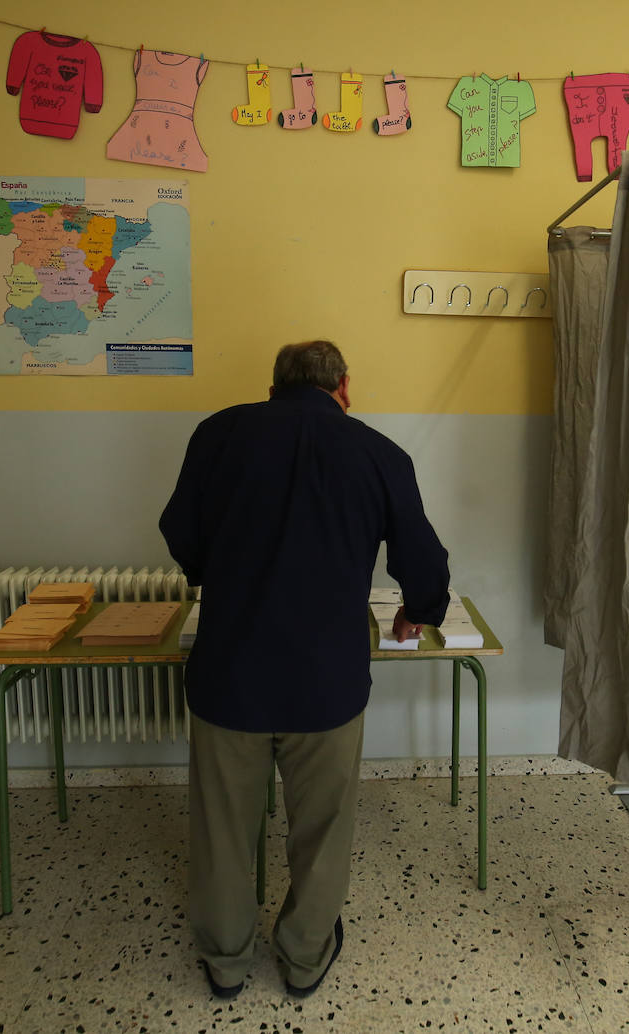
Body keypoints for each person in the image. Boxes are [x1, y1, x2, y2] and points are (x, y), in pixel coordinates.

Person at [159, 340, 450, 1000]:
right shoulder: (377, 452)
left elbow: (180, 530)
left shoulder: (217, 434)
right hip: (327, 684)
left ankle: (226, 961)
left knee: (223, 829)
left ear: (272, 386)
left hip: (229, 675)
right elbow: (425, 561)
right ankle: (304, 956)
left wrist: (211, 574)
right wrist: (417, 611)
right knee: (322, 828)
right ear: (343, 387)